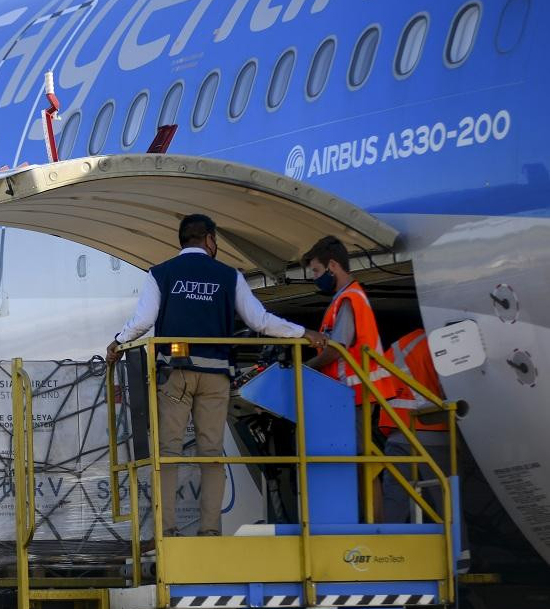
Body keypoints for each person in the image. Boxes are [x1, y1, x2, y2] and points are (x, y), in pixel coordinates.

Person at [107, 214, 326, 537]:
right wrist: (304, 333)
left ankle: (168, 531)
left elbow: (144, 321)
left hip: (176, 373)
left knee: (169, 454)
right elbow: (260, 321)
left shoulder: (160, 274)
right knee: (211, 455)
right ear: (209, 239)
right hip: (216, 375)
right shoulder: (228, 276)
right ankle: (210, 530)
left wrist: (119, 343)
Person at [302, 236, 396, 405]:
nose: (314, 277)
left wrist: (306, 367)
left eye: (316, 271)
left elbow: (336, 349)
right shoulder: (348, 297)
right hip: (355, 392)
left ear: (332, 266)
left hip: (355, 393)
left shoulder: (348, 299)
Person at [377, 328, 450, 523]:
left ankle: (388, 548)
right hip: (435, 433)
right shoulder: (443, 342)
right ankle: (460, 551)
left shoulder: (399, 346)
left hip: (398, 433)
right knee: (447, 501)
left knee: (395, 499)